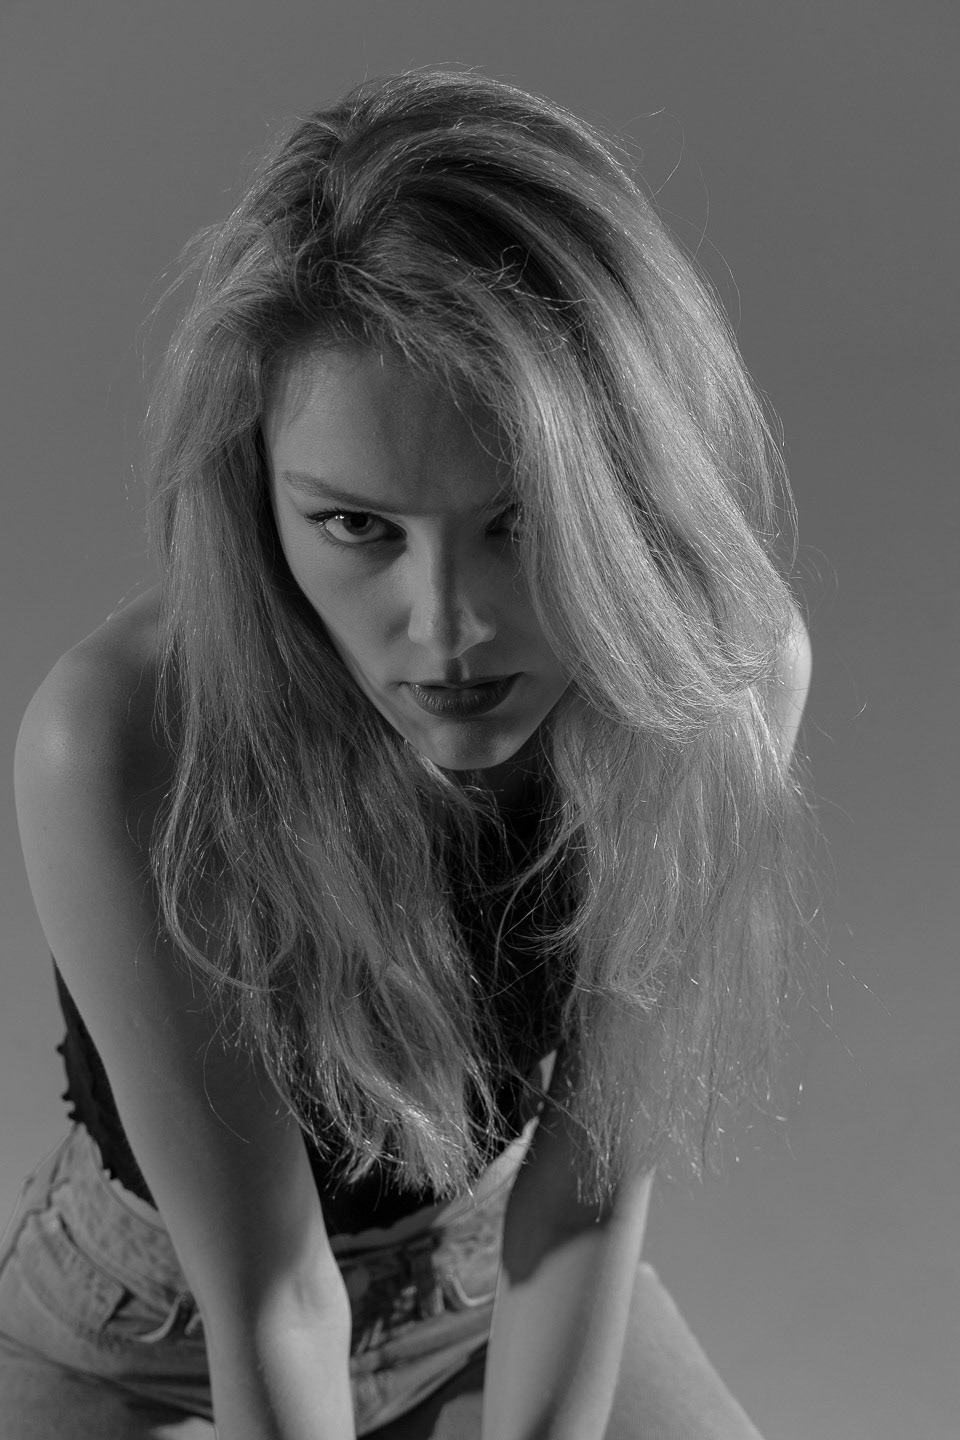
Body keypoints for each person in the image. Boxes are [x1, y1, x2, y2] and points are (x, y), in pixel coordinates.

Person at [0, 68, 812, 1439]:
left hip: (491, 1282)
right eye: (358, 527)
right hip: (150, 1324)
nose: (446, 630)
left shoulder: (718, 686)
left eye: (519, 519)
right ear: (257, 500)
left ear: (627, 493)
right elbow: (275, 1300)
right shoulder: (119, 741)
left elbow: (583, 1196)